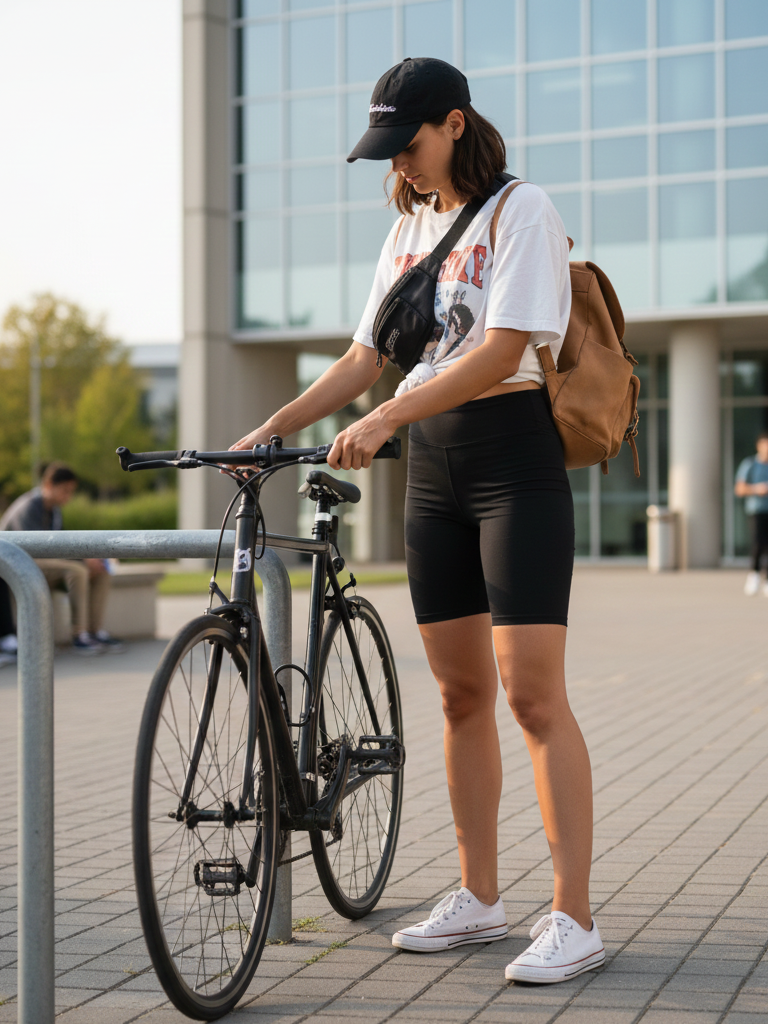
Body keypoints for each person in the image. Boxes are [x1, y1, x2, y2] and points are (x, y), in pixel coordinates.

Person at [230, 58, 602, 984]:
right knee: (458, 695)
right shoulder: (407, 228)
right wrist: (273, 428)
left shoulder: (524, 211)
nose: (404, 164)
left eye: (413, 143)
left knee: (531, 695)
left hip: (512, 459)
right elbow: (364, 360)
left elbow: (502, 352)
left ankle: (575, 917)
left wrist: (393, 414)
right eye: (390, 150)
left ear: (456, 124)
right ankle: (479, 898)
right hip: (432, 472)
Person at [0, 462, 123, 653]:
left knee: (101, 571)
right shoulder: (30, 506)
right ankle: (79, 635)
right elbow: (37, 549)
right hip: (19, 564)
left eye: (71, 491)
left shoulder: (54, 510)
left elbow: (62, 544)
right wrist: (82, 561)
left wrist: (89, 558)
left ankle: (93, 632)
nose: (68, 496)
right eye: (65, 490)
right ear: (48, 485)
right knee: (78, 571)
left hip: (40, 564)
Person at [734, 431, 768, 596]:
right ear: (759, 446)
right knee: (758, 543)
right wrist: (757, 489)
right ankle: (754, 575)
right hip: (756, 510)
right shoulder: (750, 464)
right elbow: (739, 488)